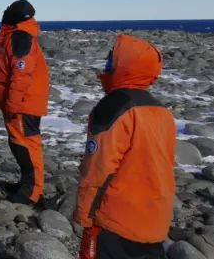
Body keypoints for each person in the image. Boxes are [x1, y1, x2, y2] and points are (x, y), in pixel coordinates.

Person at [74, 34, 176, 259]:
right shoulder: (161, 111)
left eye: (112, 61)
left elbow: (98, 168)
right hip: (156, 219)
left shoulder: (113, 107)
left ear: (125, 65)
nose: (107, 66)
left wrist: (84, 215)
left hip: (116, 218)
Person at [0, 0, 50, 205]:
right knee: (20, 144)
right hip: (21, 103)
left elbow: (21, 72)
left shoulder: (20, 37)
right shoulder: (18, 35)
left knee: (26, 145)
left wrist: (13, 104)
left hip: (23, 105)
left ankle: (32, 192)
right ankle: (27, 183)